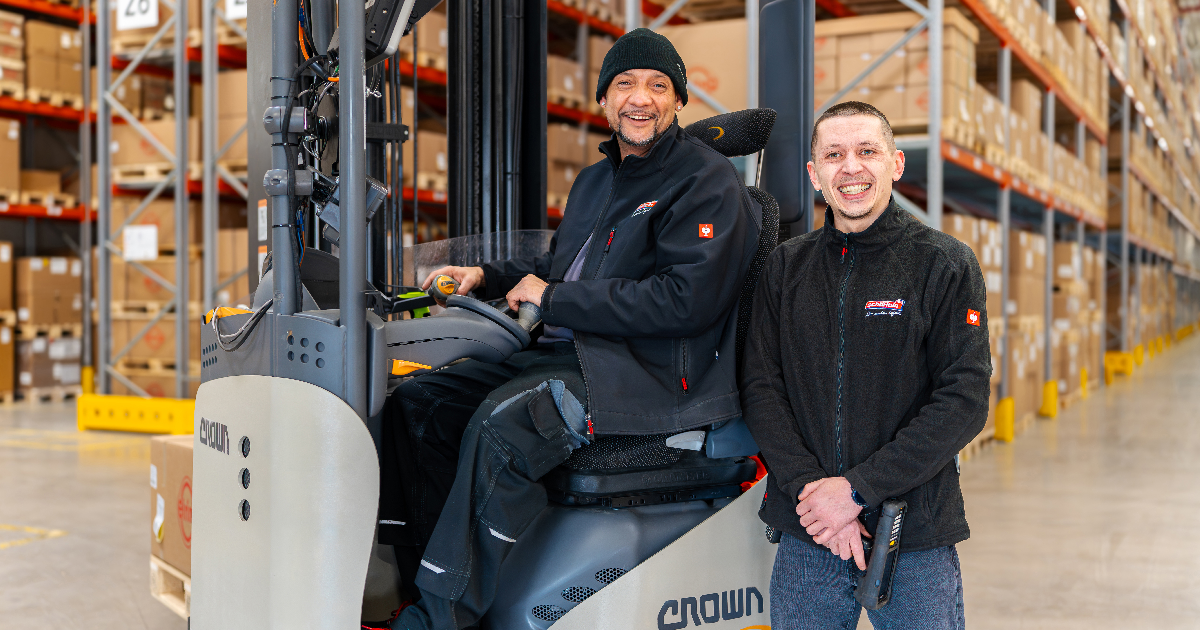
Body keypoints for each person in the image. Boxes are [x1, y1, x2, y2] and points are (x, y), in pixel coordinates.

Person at [379, 28, 762, 630]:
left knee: (505, 424)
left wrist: (554, 299)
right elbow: (562, 263)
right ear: (604, 101)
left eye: (659, 86)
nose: (641, 98)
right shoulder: (597, 180)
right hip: (575, 355)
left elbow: (684, 301)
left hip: (648, 374)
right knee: (418, 403)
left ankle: (440, 619)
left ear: (679, 101)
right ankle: (427, 583)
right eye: (625, 84)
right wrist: (487, 275)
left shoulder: (705, 181)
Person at [740, 101, 991, 630]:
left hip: (911, 534)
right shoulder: (785, 267)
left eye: (867, 151)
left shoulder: (944, 264)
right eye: (834, 155)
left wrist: (855, 491)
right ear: (815, 175)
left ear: (895, 164)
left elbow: (964, 400)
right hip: (809, 530)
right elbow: (761, 386)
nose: (850, 167)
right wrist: (815, 494)